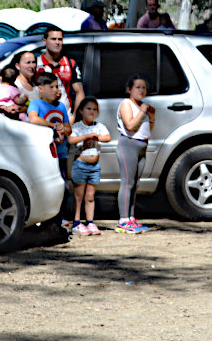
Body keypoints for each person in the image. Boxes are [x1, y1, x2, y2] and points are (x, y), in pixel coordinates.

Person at [27, 71, 72, 226]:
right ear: (40, 88)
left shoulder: (61, 106)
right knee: (44, 187)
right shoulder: (36, 104)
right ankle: (43, 219)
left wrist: (63, 128)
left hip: (61, 153)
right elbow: (33, 119)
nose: (56, 90)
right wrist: (52, 125)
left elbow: (68, 129)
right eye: (51, 87)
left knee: (62, 186)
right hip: (44, 155)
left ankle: (60, 217)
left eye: (57, 86)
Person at [115, 74, 155, 234]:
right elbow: (130, 126)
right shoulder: (126, 103)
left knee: (135, 184)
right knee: (127, 183)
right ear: (129, 89)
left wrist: (152, 117)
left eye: (144, 88)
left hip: (142, 146)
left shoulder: (140, 106)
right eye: (137, 87)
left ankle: (131, 218)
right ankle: (123, 220)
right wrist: (143, 111)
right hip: (128, 145)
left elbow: (147, 130)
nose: (141, 90)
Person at [68, 97, 112, 235]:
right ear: (81, 111)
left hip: (94, 167)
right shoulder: (77, 127)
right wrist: (86, 136)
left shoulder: (98, 127)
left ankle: (90, 222)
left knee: (90, 196)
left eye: (94, 109)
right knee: (78, 195)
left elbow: (107, 137)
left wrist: (96, 137)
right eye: (88, 108)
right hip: (80, 165)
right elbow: (71, 140)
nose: (92, 112)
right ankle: (76, 223)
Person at [39, 27, 85, 114]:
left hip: (65, 117)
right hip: (42, 117)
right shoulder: (36, 64)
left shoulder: (70, 64)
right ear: (44, 41)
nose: (57, 42)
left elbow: (79, 92)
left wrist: (74, 116)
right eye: (53, 39)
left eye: (60, 39)